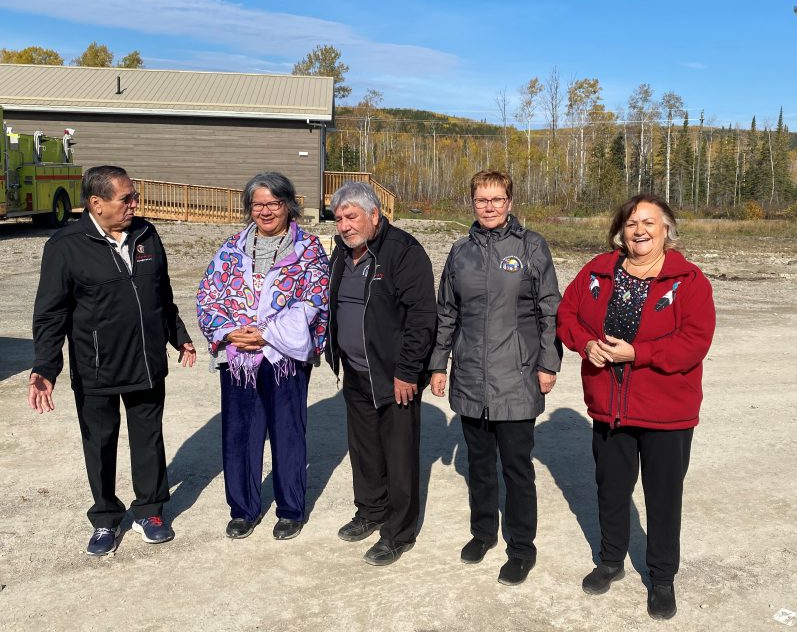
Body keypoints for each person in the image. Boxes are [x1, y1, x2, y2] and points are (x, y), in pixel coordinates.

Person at [556, 193, 715, 620]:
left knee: (663, 497)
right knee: (611, 490)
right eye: (631, 223)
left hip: (666, 412)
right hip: (609, 408)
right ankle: (610, 561)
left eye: (649, 222)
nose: (639, 230)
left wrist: (636, 354)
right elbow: (566, 314)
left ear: (667, 230)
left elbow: (694, 342)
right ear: (620, 231)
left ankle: (662, 578)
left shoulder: (689, 280)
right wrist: (584, 342)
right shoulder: (597, 271)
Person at [29, 165, 196, 557]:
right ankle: (105, 518)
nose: (135, 204)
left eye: (134, 196)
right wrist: (45, 366)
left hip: (146, 362)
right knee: (100, 444)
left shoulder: (146, 234)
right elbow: (51, 313)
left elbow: (162, 295)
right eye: (127, 198)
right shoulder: (66, 246)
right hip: (96, 368)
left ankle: (150, 512)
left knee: (149, 440)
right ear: (96, 203)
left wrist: (178, 336)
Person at [429, 170, 561, 586]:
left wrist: (548, 364)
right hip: (470, 377)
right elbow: (447, 312)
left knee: (517, 469)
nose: (489, 207)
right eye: (481, 200)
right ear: (472, 203)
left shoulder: (531, 246)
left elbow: (550, 311)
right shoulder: (460, 252)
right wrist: (438, 364)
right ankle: (483, 533)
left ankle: (522, 548)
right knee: (480, 466)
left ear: (510, 202)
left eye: (497, 199)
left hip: (517, 378)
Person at [196, 172, 329, 541]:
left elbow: (313, 301)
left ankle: (290, 510)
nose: (266, 211)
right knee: (240, 434)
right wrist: (227, 332)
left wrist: (267, 333)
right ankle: (243, 509)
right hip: (238, 356)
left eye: (274, 203)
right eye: (258, 204)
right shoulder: (231, 248)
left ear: (289, 205)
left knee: (287, 434)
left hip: (283, 358)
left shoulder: (309, 249)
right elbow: (209, 295)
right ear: (248, 208)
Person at [324, 181, 436, 566]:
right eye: (338, 218)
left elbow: (423, 318)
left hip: (394, 376)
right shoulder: (341, 254)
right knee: (365, 451)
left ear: (374, 215)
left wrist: (408, 371)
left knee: (399, 456)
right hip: (355, 371)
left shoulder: (404, 252)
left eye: (351, 216)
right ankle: (370, 511)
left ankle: (399, 532)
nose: (343, 225)